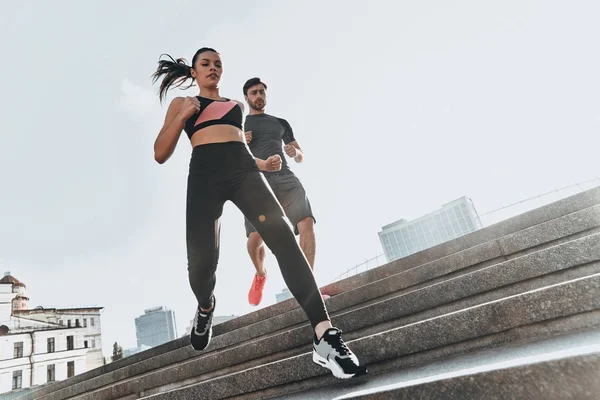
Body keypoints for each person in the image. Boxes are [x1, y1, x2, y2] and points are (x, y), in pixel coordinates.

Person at [151, 47, 366, 379]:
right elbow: (160, 153)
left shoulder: (236, 106)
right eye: (205, 64)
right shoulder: (182, 104)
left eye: (218, 64)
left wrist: (263, 164)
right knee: (201, 268)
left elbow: (238, 147)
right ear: (193, 72)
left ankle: (324, 335)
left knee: (284, 239)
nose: (213, 68)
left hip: (245, 174)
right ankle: (206, 307)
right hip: (205, 178)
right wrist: (181, 118)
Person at [242, 77, 325, 306]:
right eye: (253, 93)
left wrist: (294, 152)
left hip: (286, 178)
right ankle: (260, 273)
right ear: (246, 98)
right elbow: (233, 155)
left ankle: (309, 288)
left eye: (261, 92)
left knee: (306, 223)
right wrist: (243, 142)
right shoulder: (240, 126)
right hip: (257, 182)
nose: (258, 96)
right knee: (255, 239)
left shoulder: (280, 123)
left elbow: (301, 154)